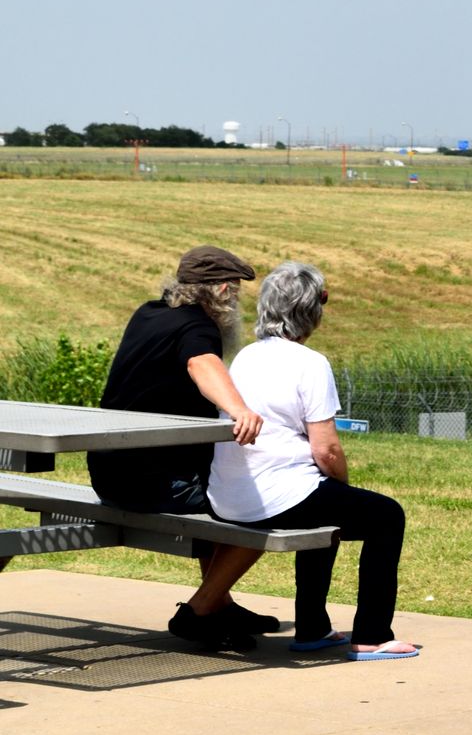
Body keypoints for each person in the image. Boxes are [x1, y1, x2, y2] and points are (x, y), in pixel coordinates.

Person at [208, 262, 418, 660]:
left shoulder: (246, 357)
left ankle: (313, 627)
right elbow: (327, 451)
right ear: (312, 311)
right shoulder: (310, 363)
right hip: (274, 498)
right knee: (387, 516)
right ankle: (372, 633)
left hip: (228, 496)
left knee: (321, 499)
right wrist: (343, 482)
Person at [88, 245, 272, 651]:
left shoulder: (148, 313)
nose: (236, 302)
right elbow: (200, 363)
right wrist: (239, 409)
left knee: (214, 479)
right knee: (254, 501)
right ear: (222, 290)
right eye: (236, 292)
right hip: (151, 485)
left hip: (108, 474)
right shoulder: (198, 326)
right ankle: (201, 610)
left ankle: (220, 603)